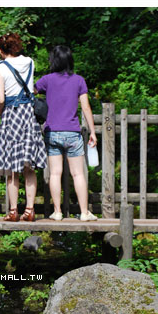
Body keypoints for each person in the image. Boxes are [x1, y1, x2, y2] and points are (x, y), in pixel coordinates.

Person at [35, 45, 98, 221]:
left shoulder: (46, 80)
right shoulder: (79, 80)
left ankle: (57, 212)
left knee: (55, 173)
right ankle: (84, 212)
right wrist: (92, 131)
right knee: (78, 173)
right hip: (72, 132)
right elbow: (85, 106)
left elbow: (30, 92)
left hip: (52, 132)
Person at [0, 33, 47, 222]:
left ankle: (13, 211)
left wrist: (0, 111)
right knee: (29, 166)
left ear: (1, 50)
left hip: (11, 113)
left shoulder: (0, 68)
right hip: (28, 114)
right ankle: (30, 210)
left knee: (12, 168)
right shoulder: (30, 62)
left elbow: (0, 98)